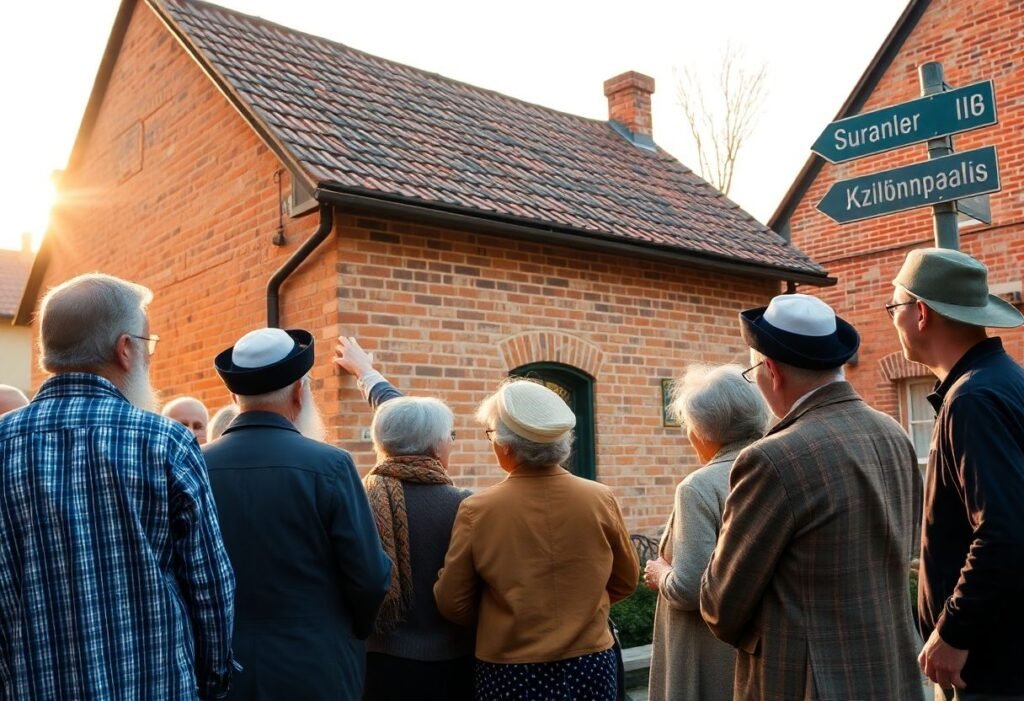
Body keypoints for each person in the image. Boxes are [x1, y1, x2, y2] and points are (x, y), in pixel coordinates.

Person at [0, 273, 236, 699]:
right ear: (125, 349)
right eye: (148, 344)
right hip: (156, 685)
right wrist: (212, 677)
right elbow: (210, 584)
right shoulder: (165, 442)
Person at [699, 293, 924, 701]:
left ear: (770, 369)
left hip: (808, 683)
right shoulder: (894, 433)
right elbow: (901, 548)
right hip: (893, 671)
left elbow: (721, 605)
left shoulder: (773, 458)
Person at [203, 327, 392, 700]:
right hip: (316, 666)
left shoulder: (195, 463)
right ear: (299, 391)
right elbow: (370, 576)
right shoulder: (331, 465)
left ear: (233, 396)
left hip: (220, 668)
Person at [434, 378, 639, 701]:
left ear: (506, 446)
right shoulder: (600, 497)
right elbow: (626, 580)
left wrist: (501, 620)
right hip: (591, 661)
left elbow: (452, 601)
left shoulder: (478, 509)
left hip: (510, 667)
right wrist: (581, 609)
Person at [889, 248, 1024, 700]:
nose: (894, 320)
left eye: (895, 307)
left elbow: (1004, 529)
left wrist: (953, 631)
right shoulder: (1003, 380)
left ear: (921, 313)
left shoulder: (973, 400)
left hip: (990, 666)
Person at [335, 336, 475, 701]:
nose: (451, 443)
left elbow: (401, 421)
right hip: (452, 666)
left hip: (376, 666)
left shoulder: (357, 498)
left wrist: (366, 373)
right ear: (436, 445)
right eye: (450, 436)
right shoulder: (465, 505)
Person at [643, 364, 769, 701]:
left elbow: (688, 588)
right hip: (760, 647)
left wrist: (660, 572)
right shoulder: (774, 466)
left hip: (707, 652)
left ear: (701, 430)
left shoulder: (699, 487)